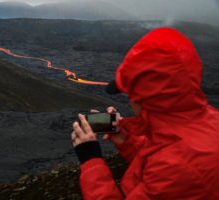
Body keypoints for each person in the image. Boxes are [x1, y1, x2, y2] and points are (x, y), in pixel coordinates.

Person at [71, 27, 219, 199]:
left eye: (131, 94)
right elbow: (164, 158)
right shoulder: (209, 120)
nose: (130, 100)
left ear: (147, 99)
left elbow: (171, 167)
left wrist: (91, 160)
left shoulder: (177, 167)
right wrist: (126, 141)